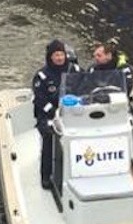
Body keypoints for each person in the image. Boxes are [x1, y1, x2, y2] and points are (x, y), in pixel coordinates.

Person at [32, 39, 82, 190]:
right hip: (49, 114)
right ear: (50, 57)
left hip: (73, 112)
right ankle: (46, 176)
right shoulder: (42, 76)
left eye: (61, 54)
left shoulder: (75, 70)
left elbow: (85, 87)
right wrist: (53, 112)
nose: (59, 58)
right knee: (48, 136)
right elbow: (39, 99)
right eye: (56, 55)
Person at [88, 40, 133, 160]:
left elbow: (127, 87)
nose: (95, 58)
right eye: (95, 55)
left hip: (119, 105)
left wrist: (108, 96)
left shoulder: (124, 69)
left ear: (109, 56)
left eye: (99, 56)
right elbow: (86, 86)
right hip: (98, 104)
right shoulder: (93, 69)